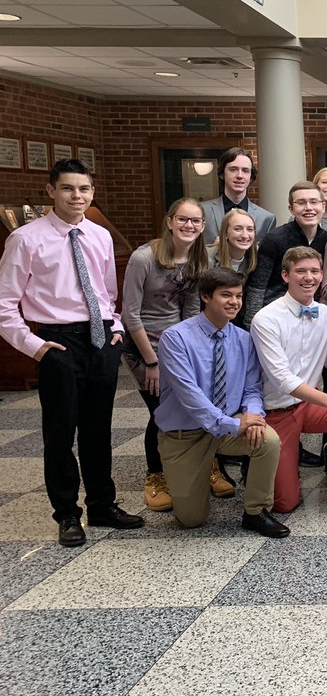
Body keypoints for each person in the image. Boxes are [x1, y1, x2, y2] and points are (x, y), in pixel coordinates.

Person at [0, 158, 143, 546]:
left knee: (98, 429)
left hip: (99, 339)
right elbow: (4, 306)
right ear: (51, 191)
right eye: (67, 188)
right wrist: (36, 348)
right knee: (60, 433)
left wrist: (113, 330)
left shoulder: (99, 235)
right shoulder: (26, 239)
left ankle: (102, 504)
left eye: (83, 189)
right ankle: (67, 513)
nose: (76, 196)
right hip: (57, 341)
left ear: (92, 193)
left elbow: (105, 292)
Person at [153, 267, 287, 537]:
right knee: (191, 519)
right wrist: (231, 424)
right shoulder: (176, 338)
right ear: (205, 296)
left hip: (227, 426)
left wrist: (253, 415)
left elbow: (252, 388)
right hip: (185, 433)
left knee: (267, 439)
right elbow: (190, 395)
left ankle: (255, 512)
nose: (234, 302)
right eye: (226, 295)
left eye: (238, 296)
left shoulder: (244, 339)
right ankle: (190, 481)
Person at [250, 246, 327, 516]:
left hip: (309, 407)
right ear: (285, 275)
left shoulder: (326, 313)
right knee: (285, 505)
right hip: (276, 412)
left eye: (315, 271)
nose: (309, 277)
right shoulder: (266, 319)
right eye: (301, 271)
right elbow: (283, 379)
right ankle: (278, 461)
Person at [123, 197, 214, 512]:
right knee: (160, 410)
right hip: (143, 344)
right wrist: (152, 362)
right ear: (170, 221)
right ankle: (155, 476)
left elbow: (190, 311)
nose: (189, 226)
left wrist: (189, 353)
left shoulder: (196, 261)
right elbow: (130, 316)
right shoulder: (143, 258)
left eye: (195, 221)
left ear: (202, 227)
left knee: (189, 403)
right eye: (183, 219)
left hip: (175, 343)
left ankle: (197, 467)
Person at [244, 182, 327, 325]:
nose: (308, 207)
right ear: (291, 209)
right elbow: (257, 287)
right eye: (301, 203)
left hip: (312, 317)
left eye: (313, 202)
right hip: (276, 318)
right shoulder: (275, 239)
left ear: (323, 206)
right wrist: (251, 326)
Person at [200, 147, 276, 244]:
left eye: (245, 170)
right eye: (233, 169)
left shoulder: (266, 219)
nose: (239, 176)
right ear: (222, 174)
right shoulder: (202, 211)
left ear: (251, 177)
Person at [208, 207, 258, 329]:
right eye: (237, 229)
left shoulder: (256, 258)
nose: (245, 235)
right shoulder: (208, 259)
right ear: (225, 233)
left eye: (250, 229)